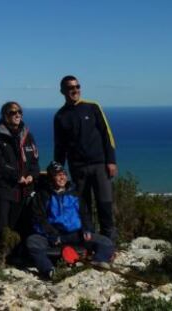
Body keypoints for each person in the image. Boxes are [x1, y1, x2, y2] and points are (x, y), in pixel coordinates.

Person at [54, 75, 117, 241]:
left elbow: (107, 134)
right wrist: (57, 169)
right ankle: (90, 241)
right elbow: (59, 146)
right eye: (70, 88)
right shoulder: (60, 116)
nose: (75, 90)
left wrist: (111, 161)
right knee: (84, 207)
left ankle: (109, 241)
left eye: (77, 87)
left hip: (99, 164)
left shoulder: (92, 107)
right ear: (62, 91)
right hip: (78, 167)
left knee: (105, 203)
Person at [26, 161, 114, 279]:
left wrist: (87, 229)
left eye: (64, 174)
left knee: (106, 242)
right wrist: (52, 234)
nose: (62, 177)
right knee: (32, 241)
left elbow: (85, 214)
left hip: (76, 235)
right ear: (51, 177)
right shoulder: (42, 196)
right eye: (58, 175)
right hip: (53, 237)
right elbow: (38, 219)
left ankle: (97, 262)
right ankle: (48, 270)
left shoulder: (75, 193)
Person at [0, 101, 40, 268]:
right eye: (12, 112)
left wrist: (32, 175)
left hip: (23, 188)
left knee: (17, 223)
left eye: (19, 112)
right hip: (3, 187)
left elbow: (34, 160)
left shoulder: (27, 135)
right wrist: (17, 176)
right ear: (4, 115)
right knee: (1, 221)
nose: (17, 115)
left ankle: (11, 254)